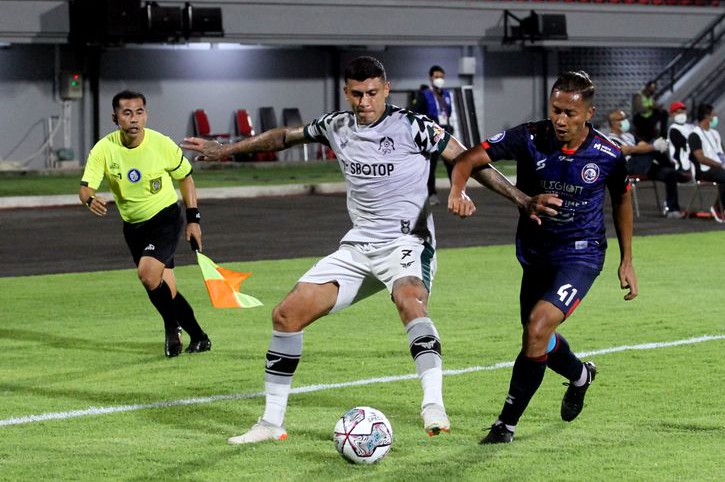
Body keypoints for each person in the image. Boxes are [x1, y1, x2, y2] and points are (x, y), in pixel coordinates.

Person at [181, 56, 551, 445]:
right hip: (359, 246)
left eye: (372, 93)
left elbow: (467, 158)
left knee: (410, 299)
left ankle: (433, 404)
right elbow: (283, 136)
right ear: (347, 92)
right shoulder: (336, 125)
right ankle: (271, 423)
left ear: (386, 89)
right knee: (286, 315)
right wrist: (228, 150)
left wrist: (521, 199)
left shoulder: (413, 126)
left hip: (408, 241)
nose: (364, 102)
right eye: (356, 94)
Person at [447, 70, 638, 444]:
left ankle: (506, 425)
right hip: (535, 254)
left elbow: (622, 199)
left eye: (570, 113)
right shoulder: (530, 136)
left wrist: (627, 259)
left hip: (581, 255)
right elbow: (467, 158)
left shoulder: (608, 154)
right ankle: (580, 375)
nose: (561, 120)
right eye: (556, 110)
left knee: (537, 327)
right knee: (538, 338)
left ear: (589, 113)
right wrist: (458, 190)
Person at [79, 90, 211, 358]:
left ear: (146, 115)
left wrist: (193, 219)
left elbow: (185, 178)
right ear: (115, 118)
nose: (134, 119)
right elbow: (85, 188)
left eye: (139, 112)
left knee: (147, 274)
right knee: (165, 288)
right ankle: (199, 336)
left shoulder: (161, 144)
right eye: (127, 113)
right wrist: (90, 199)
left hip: (165, 217)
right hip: (133, 226)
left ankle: (172, 327)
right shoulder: (104, 149)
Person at [606, 109, 685, 218]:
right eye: (622, 119)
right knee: (652, 152)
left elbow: (642, 146)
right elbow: (627, 150)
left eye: (625, 119)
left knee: (669, 173)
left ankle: (672, 209)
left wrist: (647, 148)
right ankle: (677, 170)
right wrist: (653, 146)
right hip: (628, 168)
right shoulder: (609, 140)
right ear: (613, 123)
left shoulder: (629, 136)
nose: (625, 121)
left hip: (645, 165)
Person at [687, 103, 725, 223]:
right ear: (707, 117)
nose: (715, 116)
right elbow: (700, 158)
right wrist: (722, 166)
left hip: (721, 166)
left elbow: (722, 153)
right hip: (704, 169)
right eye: (713, 114)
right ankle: (717, 207)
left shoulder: (715, 133)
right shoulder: (694, 135)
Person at [414, 65, 454, 206]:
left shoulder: (447, 94)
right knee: (431, 166)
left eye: (441, 77)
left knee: (452, 165)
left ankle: (456, 193)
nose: (440, 80)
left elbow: (448, 113)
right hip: (432, 134)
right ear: (431, 78)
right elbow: (417, 113)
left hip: (445, 133)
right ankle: (432, 194)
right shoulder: (425, 94)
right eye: (437, 77)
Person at [666, 101, 694, 181]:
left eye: (683, 111)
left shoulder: (690, 127)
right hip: (682, 164)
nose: (681, 114)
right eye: (678, 112)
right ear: (672, 114)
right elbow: (683, 145)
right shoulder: (673, 129)